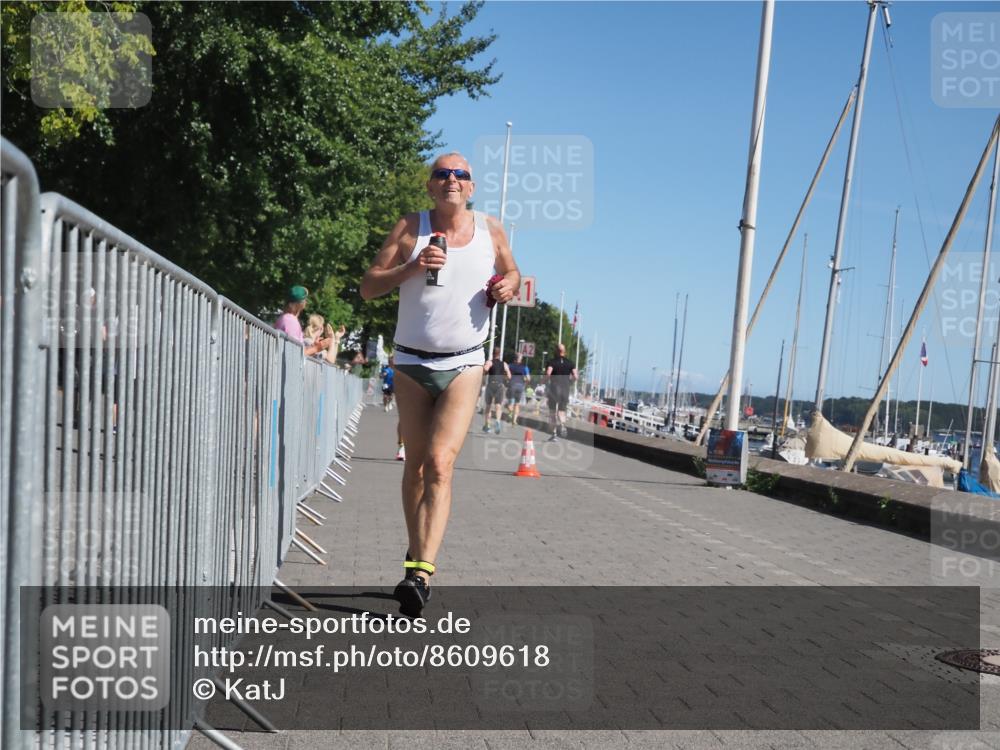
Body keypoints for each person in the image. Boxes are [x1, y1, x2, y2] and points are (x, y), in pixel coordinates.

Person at [360, 152, 519, 617]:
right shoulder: (410, 226)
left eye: (460, 175)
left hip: (465, 363)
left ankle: (420, 573)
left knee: (440, 463)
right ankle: (416, 554)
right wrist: (410, 268)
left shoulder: (491, 230)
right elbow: (369, 286)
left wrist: (506, 286)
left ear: (471, 188)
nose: (451, 180)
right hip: (410, 362)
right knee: (414, 467)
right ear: (431, 186)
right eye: (441, 174)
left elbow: (512, 272)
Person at [274, 285, 331, 357]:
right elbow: (294, 354)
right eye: (304, 300)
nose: (306, 302)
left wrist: (313, 347)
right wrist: (317, 348)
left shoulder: (285, 318)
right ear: (300, 304)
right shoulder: (291, 321)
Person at [545, 343, 578, 441]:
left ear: (556, 351)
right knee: (561, 411)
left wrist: (543, 381)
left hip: (554, 389)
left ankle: (554, 433)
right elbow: (576, 376)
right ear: (565, 352)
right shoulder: (570, 363)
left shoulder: (552, 362)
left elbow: (548, 373)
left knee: (552, 412)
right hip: (565, 389)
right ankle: (563, 425)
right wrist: (570, 382)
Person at [482, 347, 510, 434]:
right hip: (500, 385)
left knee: (488, 406)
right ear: (499, 354)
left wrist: (485, 372)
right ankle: (497, 421)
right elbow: (509, 376)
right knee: (498, 405)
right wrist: (503, 375)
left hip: (491, 385)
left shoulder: (490, 362)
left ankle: (487, 425)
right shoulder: (504, 364)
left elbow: (485, 369)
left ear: (493, 354)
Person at [506, 353, 530, 426]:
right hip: (520, 386)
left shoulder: (510, 366)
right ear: (521, 359)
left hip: (512, 385)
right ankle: (514, 420)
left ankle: (510, 412)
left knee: (510, 403)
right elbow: (528, 378)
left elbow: (507, 376)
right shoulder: (525, 367)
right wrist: (525, 382)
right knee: (517, 404)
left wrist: (507, 380)